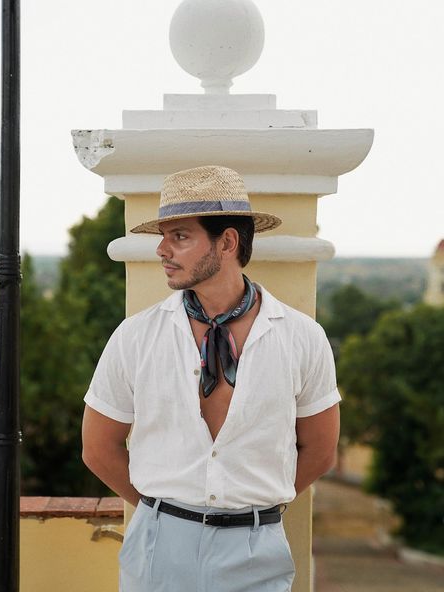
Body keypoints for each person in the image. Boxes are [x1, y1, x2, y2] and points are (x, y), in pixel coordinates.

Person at [81, 165, 341, 592]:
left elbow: (321, 450)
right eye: (163, 236)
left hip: (256, 550)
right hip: (158, 547)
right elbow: (97, 447)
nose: (162, 249)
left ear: (227, 242)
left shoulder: (301, 337)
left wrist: (252, 506)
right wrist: (165, 512)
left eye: (180, 236)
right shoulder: (136, 336)